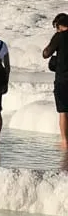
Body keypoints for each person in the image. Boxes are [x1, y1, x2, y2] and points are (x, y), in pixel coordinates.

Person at [42, 14, 68, 149]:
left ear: (58, 25)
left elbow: (46, 53)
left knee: (63, 111)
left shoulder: (59, 36)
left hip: (63, 79)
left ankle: (65, 141)